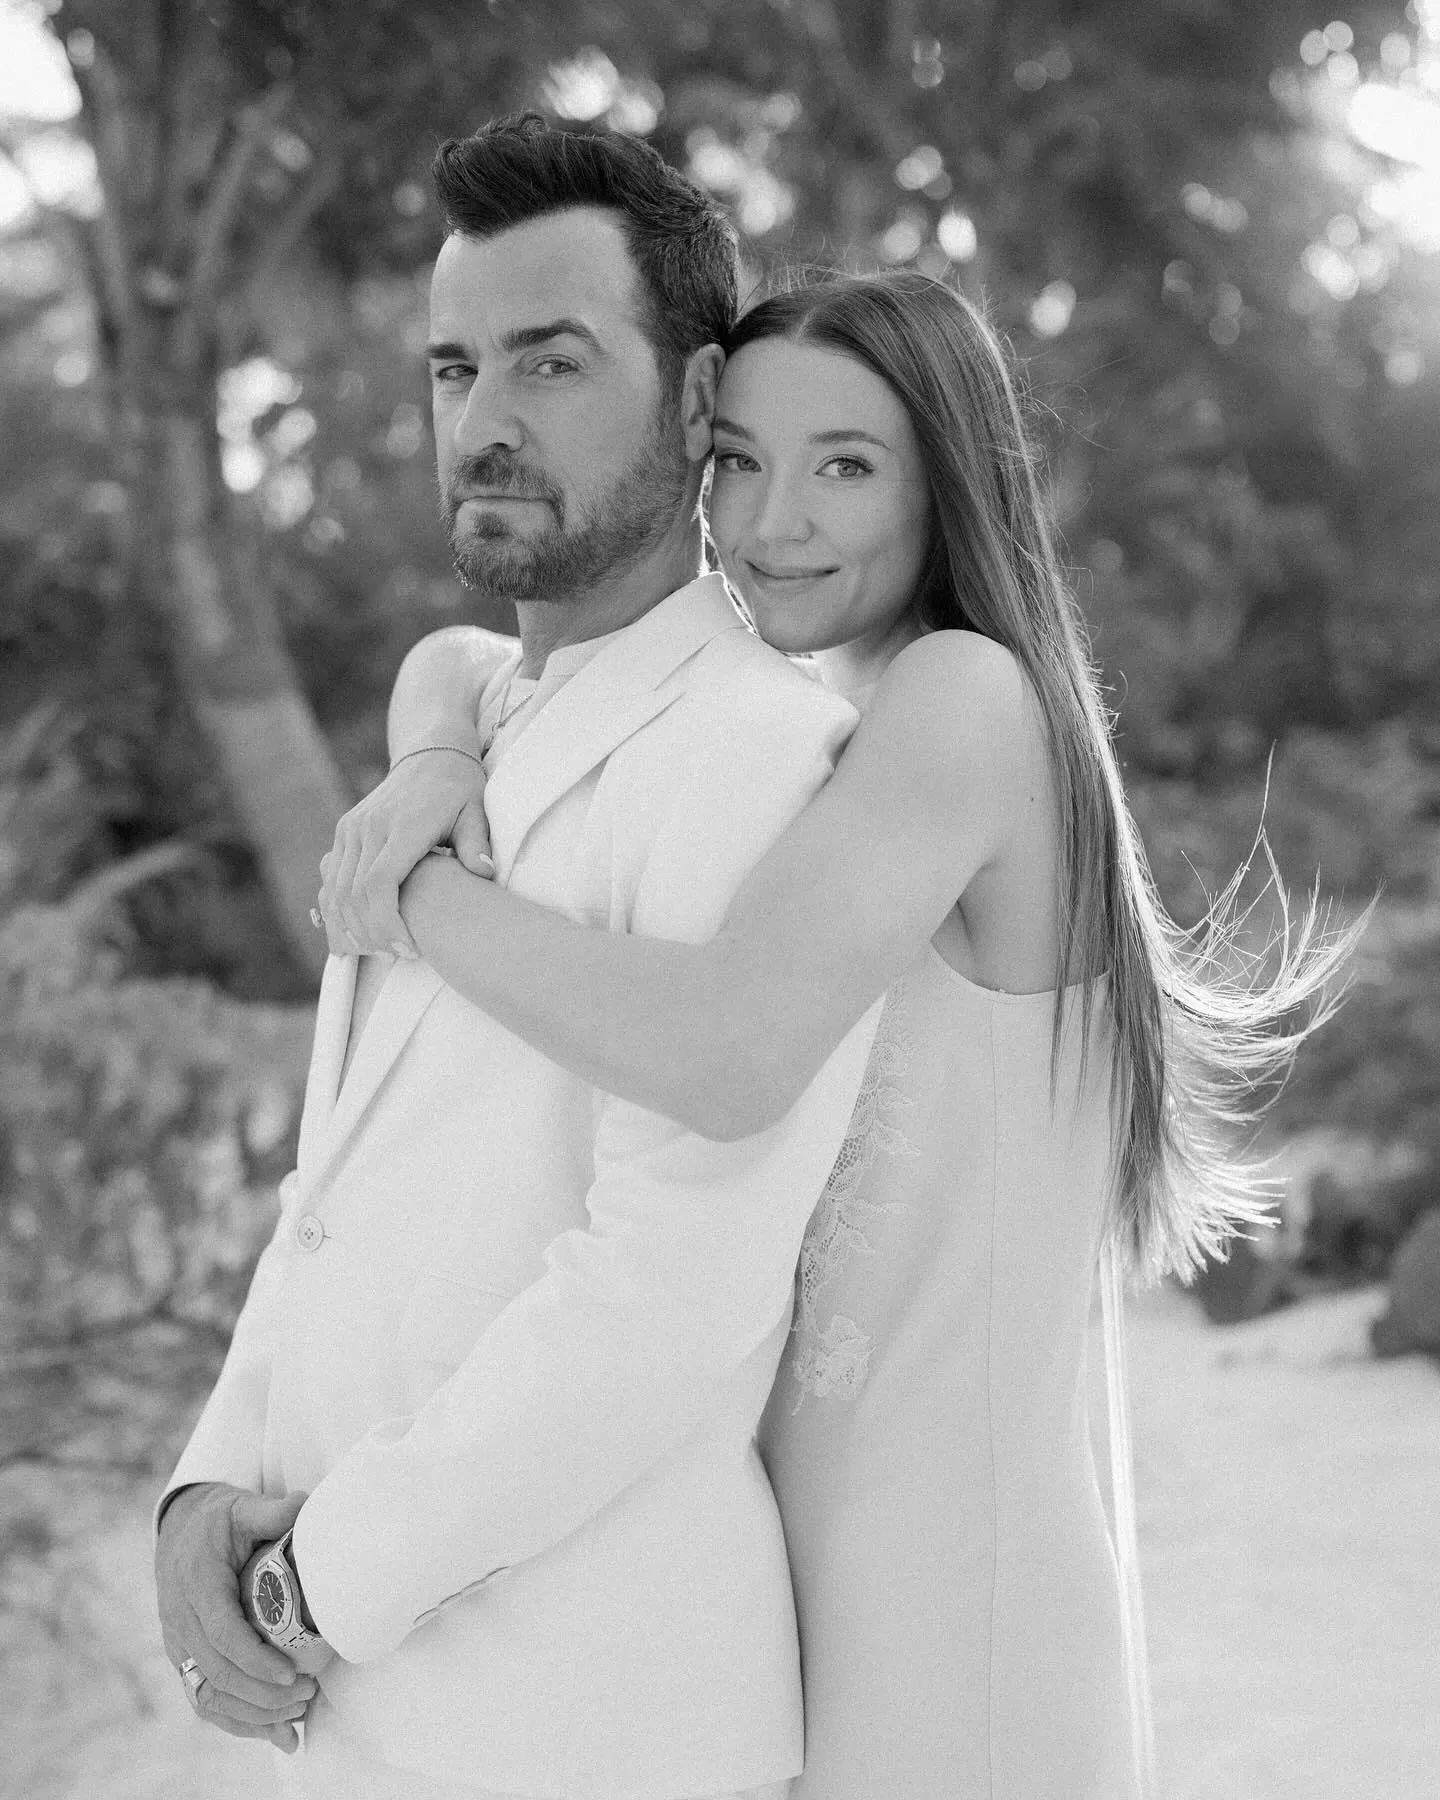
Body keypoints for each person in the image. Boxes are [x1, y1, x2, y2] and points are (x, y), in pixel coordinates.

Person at [321, 268, 1357, 1800]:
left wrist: (415, 894)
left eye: (846, 466)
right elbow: (464, 657)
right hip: (813, 1576)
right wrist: (429, 756)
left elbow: (726, 1054)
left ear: (949, 483)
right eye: (739, 460)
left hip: (949, 1604)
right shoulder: (819, 718)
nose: (772, 521)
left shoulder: (963, 695)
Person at [152, 115, 889, 1800]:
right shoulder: (465, 729)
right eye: (453, 367)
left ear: (699, 403)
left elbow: (671, 1291)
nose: (483, 419)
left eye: (551, 363)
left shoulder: (757, 753)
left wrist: (314, 1580)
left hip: (586, 1719)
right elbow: (336, 1188)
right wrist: (204, 1488)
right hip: (359, 1710)